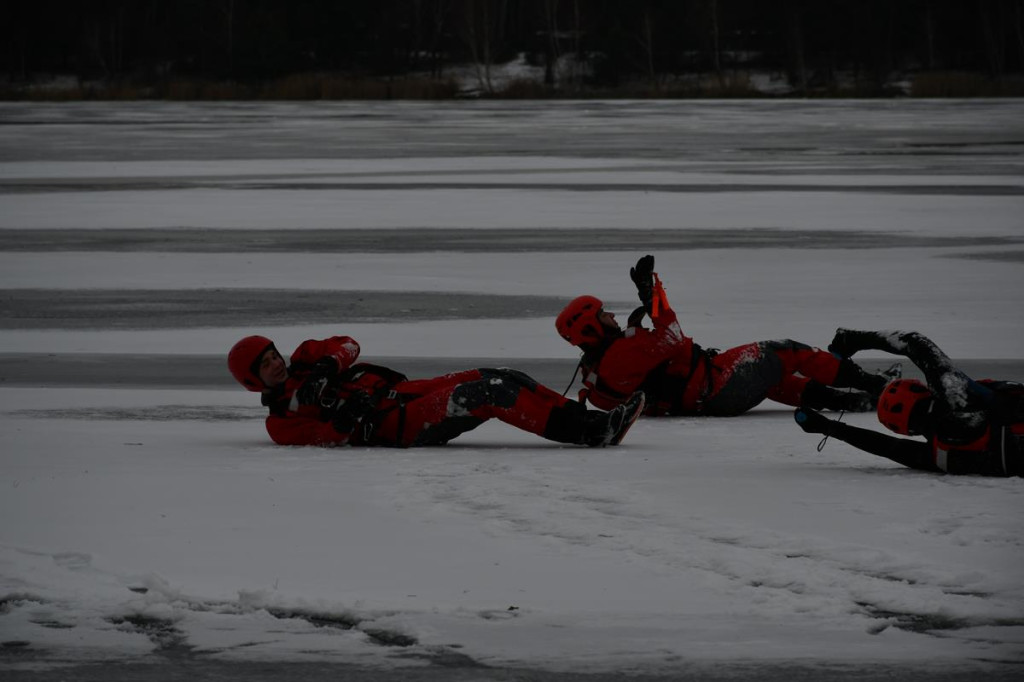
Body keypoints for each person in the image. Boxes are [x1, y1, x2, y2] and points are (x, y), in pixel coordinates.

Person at [555, 255, 894, 418]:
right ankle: (873, 386)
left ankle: (853, 403)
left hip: (703, 390)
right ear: (589, 327)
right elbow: (672, 335)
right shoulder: (621, 354)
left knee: (775, 379)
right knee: (787, 353)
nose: (611, 315)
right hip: (714, 387)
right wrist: (650, 293)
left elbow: (631, 381)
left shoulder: (595, 369)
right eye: (603, 314)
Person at [227, 334, 644, 449]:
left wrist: (324, 367)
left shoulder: (305, 358)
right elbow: (329, 436)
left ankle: (593, 422)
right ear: (253, 381)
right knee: (490, 392)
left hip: (407, 392)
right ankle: (592, 433)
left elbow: (349, 345)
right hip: (397, 424)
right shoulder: (279, 423)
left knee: (502, 374)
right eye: (265, 365)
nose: (276, 363)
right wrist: (349, 412)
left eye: (273, 354)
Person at [794, 329, 1023, 477]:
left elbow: (883, 446)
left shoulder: (937, 455)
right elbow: (916, 343)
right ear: (920, 392)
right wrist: (855, 339)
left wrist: (826, 427)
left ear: (906, 430)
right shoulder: (959, 401)